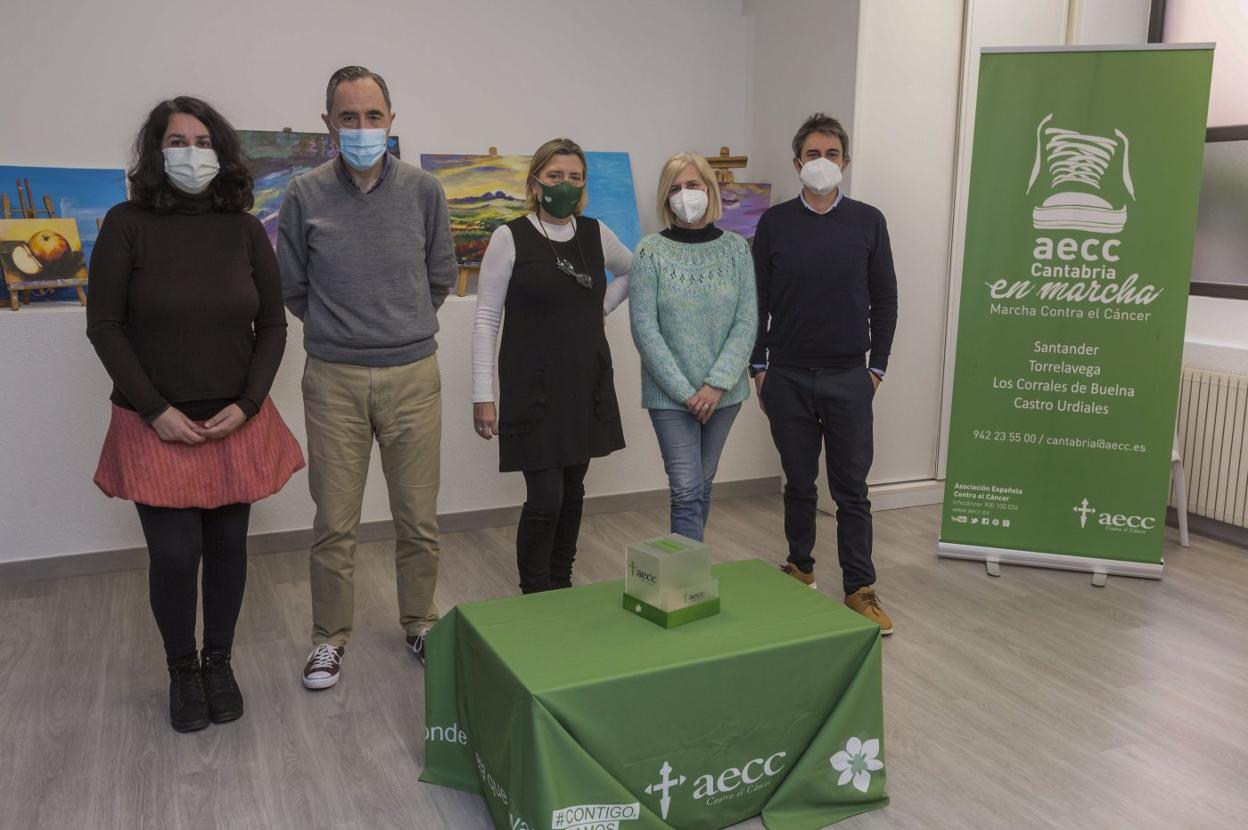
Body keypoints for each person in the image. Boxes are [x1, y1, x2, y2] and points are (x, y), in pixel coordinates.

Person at [87, 96, 304, 732]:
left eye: (203, 141)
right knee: (176, 555)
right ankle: (182, 668)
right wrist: (155, 410)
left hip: (232, 421)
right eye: (177, 140)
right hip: (154, 423)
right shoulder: (126, 223)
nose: (191, 152)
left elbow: (273, 326)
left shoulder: (243, 228)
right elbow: (104, 326)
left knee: (229, 547)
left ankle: (219, 661)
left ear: (222, 152)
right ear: (156, 152)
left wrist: (249, 403)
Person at [279, 66, 457, 689]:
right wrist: (343, 332)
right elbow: (293, 287)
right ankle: (329, 638)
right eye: (348, 117)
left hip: (413, 374)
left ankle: (421, 622)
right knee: (334, 521)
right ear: (328, 123)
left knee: (418, 516)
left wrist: (398, 328)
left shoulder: (424, 191)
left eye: (372, 116)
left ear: (391, 120)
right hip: (333, 379)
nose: (361, 128)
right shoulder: (303, 194)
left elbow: (440, 277)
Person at [750, 113, 899, 633]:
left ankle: (859, 588)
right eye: (812, 155)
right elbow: (758, 298)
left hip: (848, 377)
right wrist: (760, 366)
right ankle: (800, 568)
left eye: (831, 154)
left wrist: (875, 368)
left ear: (846, 162)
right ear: (797, 164)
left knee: (852, 489)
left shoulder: (867, 221)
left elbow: (885, 299)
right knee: (798, 482)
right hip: (787, 374)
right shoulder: (774, 224)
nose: (822, 163)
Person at [471, 138, 632, 594]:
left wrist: (601, 307)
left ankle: (562, 584)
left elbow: (631, 270)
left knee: (574, 492)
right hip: (532, 388)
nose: (565, 184)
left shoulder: (596, 234)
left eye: (575, 177)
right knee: (545, 498)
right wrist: (483, 395)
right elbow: (485, 321)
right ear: (536, 181)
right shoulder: (510, 237)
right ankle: (536, 593)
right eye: (556, 175)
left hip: (584, 383)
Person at [629, 152, 756, 541]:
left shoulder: (736, 250)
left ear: (709, 188)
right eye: (675, 188)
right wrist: (688, 394)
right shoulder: (650, 252)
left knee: (703, 483)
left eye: (693, 185)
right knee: (685, 489)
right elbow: (644, 329)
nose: (685, 195)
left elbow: (746, 320)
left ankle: (688, 574)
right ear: (665, 198)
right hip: (671, 396)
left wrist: (716, 384)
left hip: (725, 393)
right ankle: (685, 588)